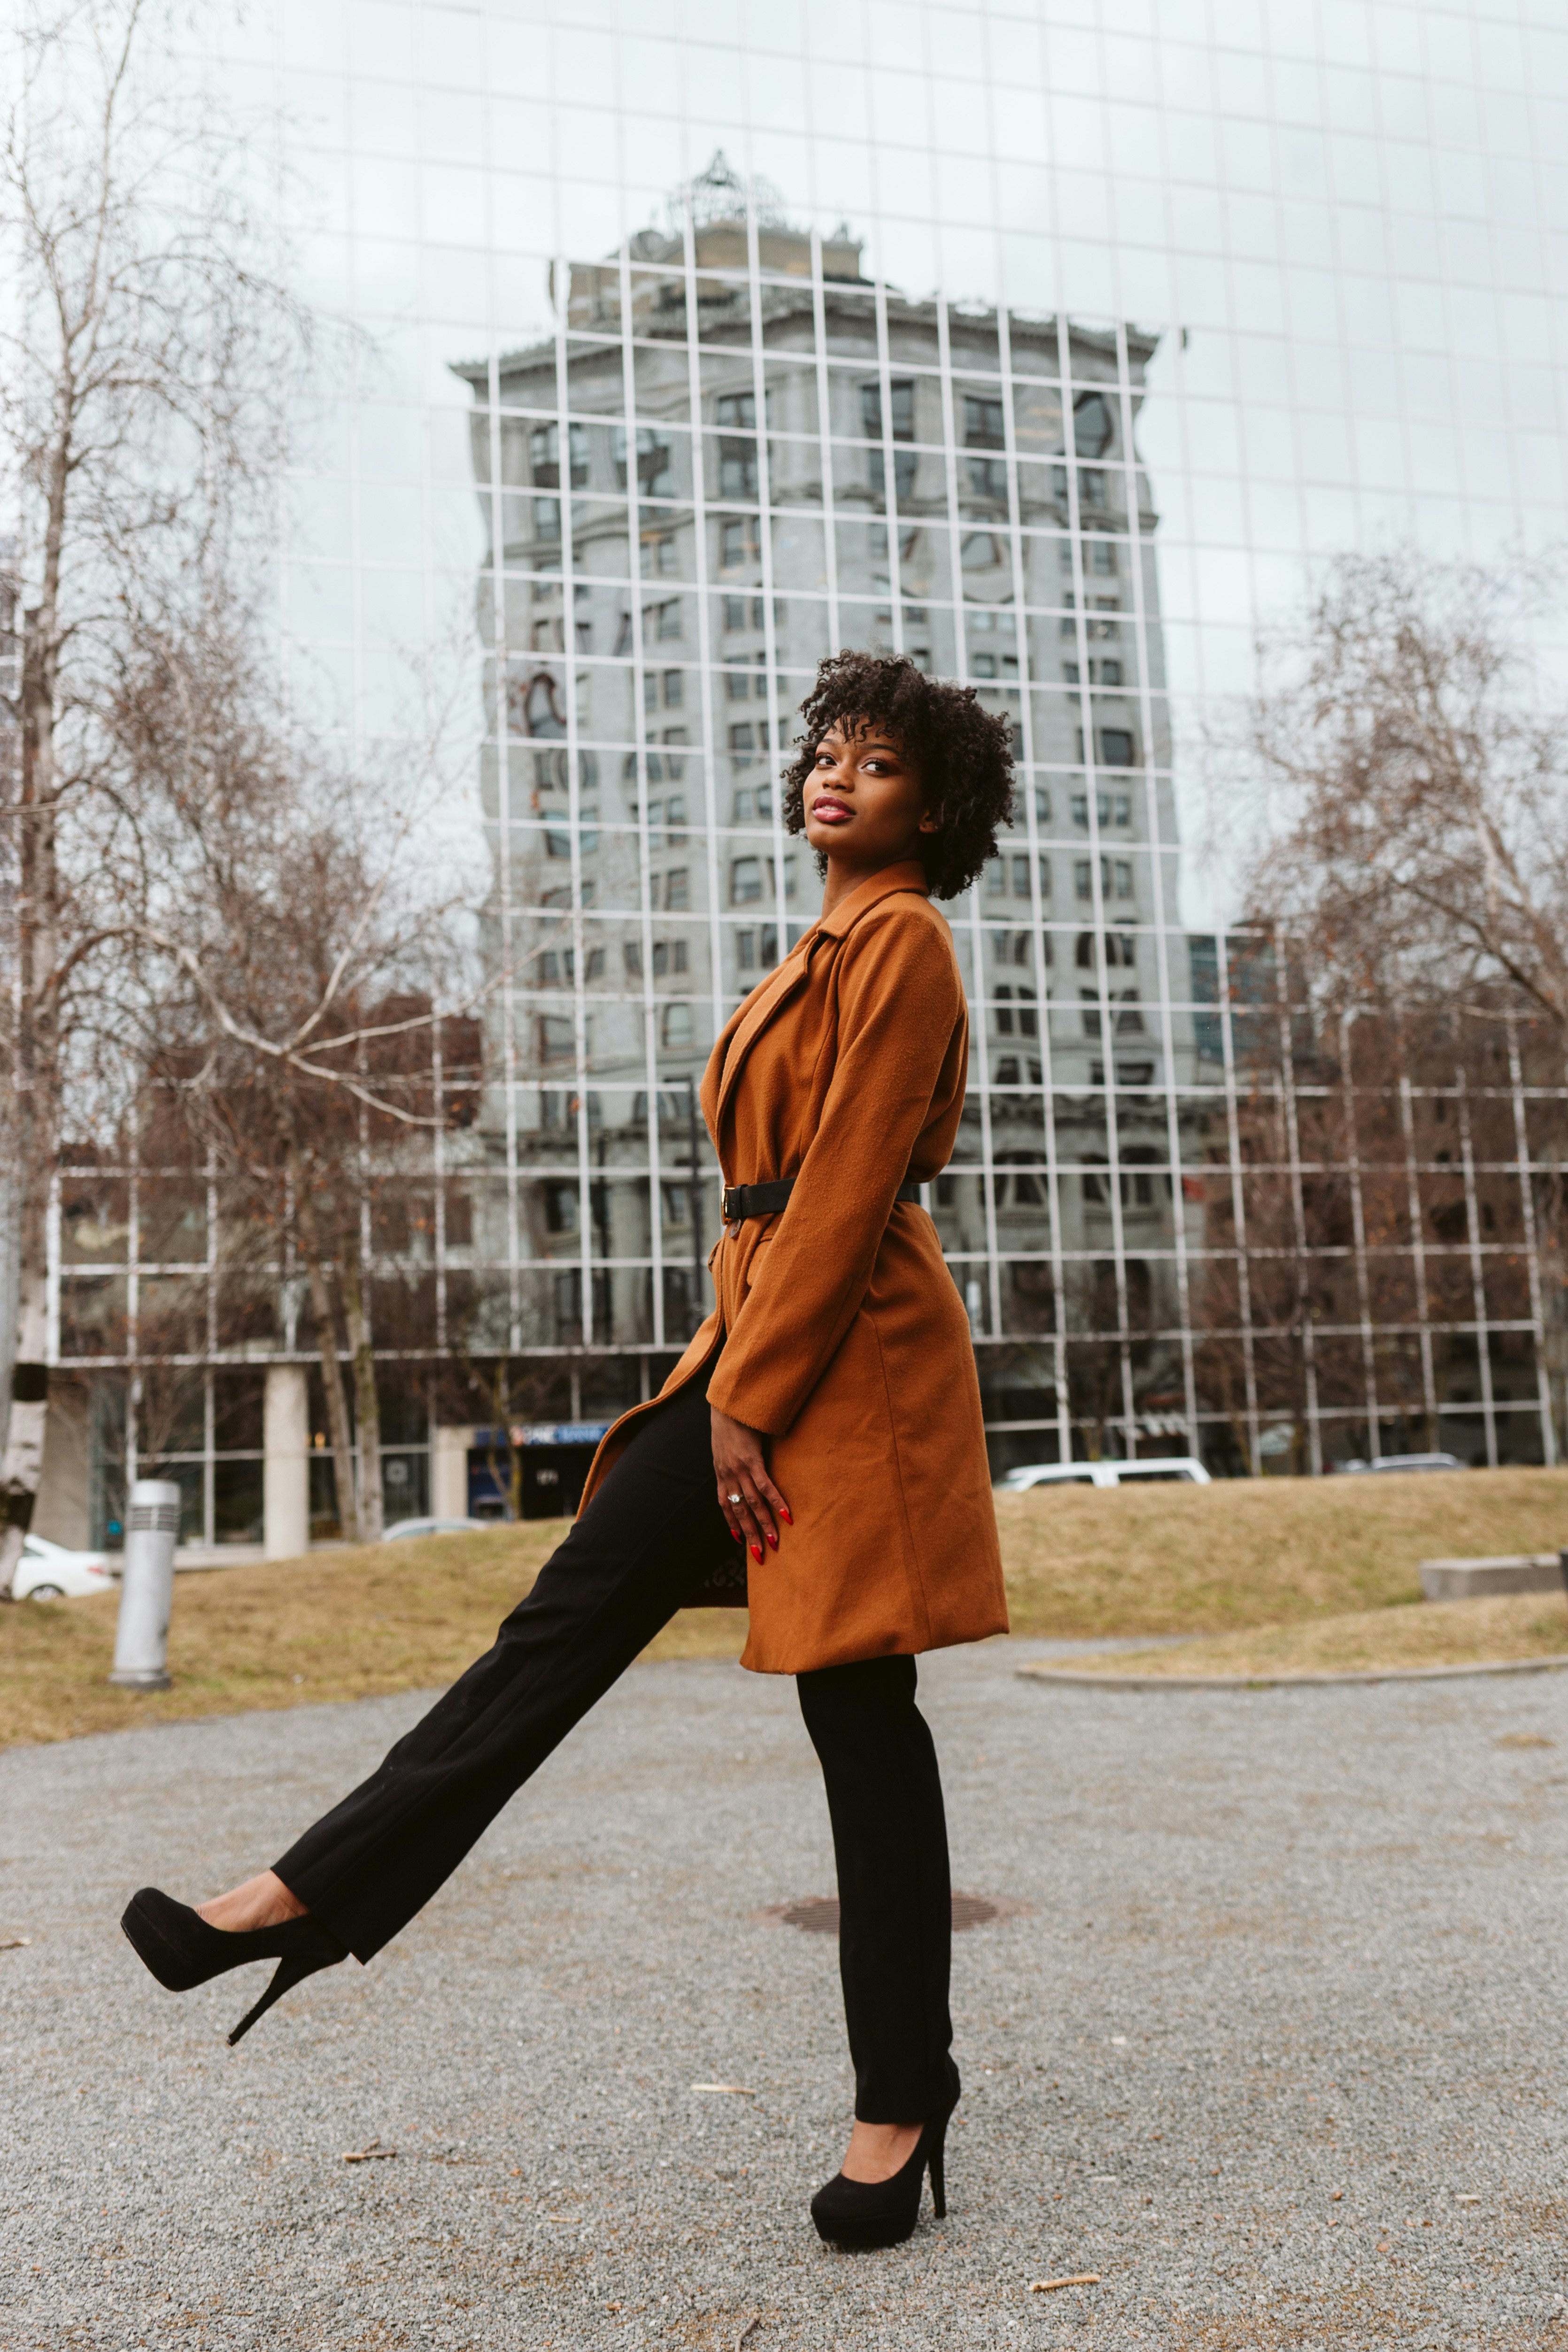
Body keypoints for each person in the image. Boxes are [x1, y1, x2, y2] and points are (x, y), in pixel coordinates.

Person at [121, 650, 1014, 2251]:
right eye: (827, 750)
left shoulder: (908, 944)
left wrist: (748, 1390)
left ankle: (900, 2100)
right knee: (560, 1625)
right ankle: (308, 1890)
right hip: (758, 1345)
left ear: (931, 807)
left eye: (876, 765)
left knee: (863, 1725)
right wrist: (731, 1367)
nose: (835, 775)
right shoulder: (823, 941)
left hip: (842, 1366)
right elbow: (774, 1200)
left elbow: (848, 1186)